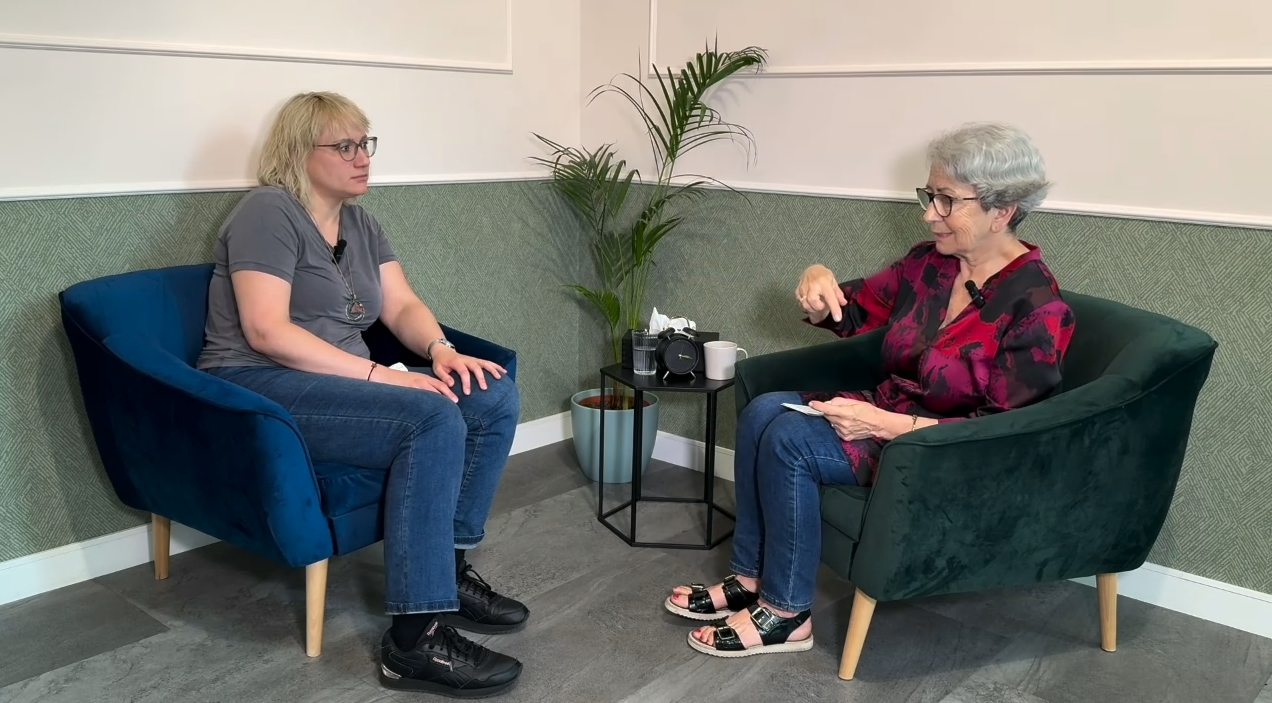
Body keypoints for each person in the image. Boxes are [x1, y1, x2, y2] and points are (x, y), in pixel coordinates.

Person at [664, 122, 1076, 658]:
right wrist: (818, 282)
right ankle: (749, 578)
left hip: (941, 451)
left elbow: (1004, 433)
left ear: (1002, 210)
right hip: (886, 415)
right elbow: (851, 308)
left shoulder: (1039, 307)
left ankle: (787, 614)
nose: (929, 214)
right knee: (763, 410)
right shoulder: (929, 264)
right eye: (929, 196)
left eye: (947, 200)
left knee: (789, 440)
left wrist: (886, 425)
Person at [196, 92, 526, 697]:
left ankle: (448, 574)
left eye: (364, 142)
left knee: (491, 396)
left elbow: (401, 305)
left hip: (339, 378)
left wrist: (440, 351)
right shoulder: (268, 212)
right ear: (299, 152)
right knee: (430, 417)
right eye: (344, 145)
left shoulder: (362, 223)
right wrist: (382, 376)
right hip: (257, 383)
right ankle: (414, 641)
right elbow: (266, 331)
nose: (362, 157)